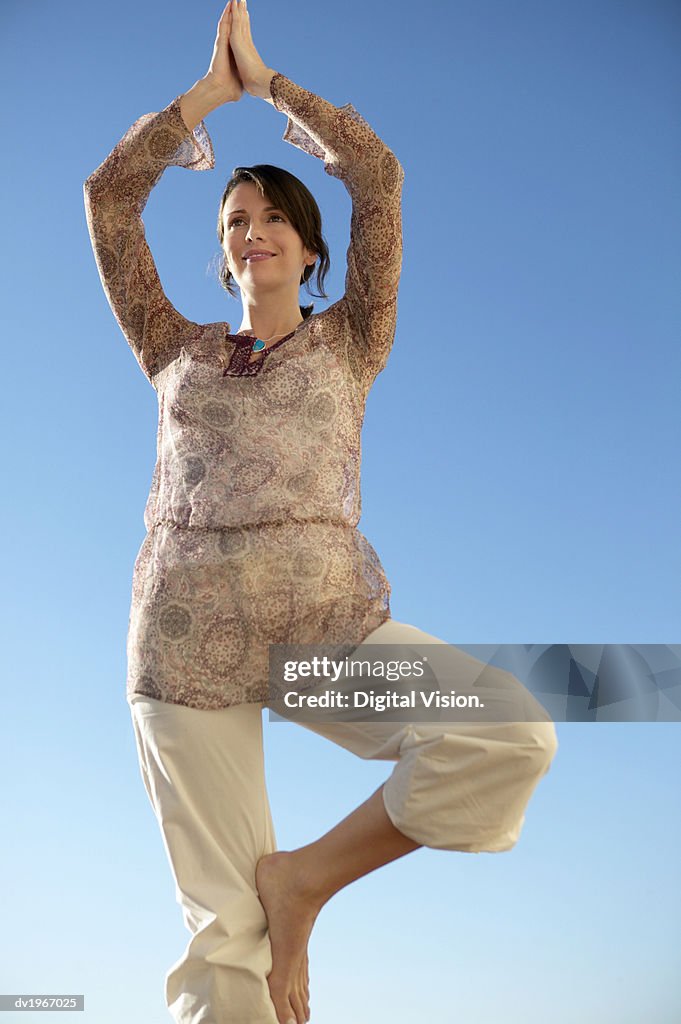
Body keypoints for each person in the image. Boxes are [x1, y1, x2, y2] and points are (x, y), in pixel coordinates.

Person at [83, 3, 559, 1023]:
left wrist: (270, 87)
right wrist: (202, 101)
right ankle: (263, 923)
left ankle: (305, 879)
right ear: (223, 254)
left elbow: (377, 178)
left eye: (274, 220)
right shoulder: (173, 347)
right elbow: (110, 200)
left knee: (507, 732)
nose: (251, 232)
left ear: (310, 253)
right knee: (227, 950)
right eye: (234, 221)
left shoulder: (353, 340)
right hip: (182, 648)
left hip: (321, 630)